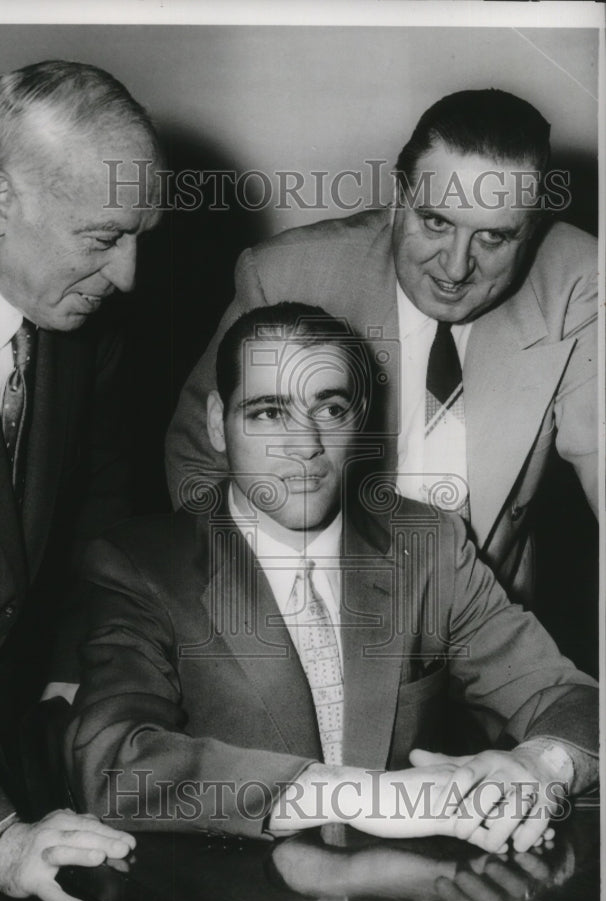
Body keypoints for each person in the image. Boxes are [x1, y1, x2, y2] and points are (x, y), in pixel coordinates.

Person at [64, 303, 597, 854]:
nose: (305, 444)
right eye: (269, 412)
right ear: (216, 425)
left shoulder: (428, 543)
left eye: (331, 408)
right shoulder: (140, 564)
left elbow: (570, 697)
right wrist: (365, 796)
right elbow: (112, 765)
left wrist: (541, 767)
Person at [165, 89, 597, 609]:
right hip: (313, 604)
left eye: (494, 239)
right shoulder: (285, 275)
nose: (456, 268)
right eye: (436, 221)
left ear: (532, 231)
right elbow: (199, 457)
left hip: (489, 614)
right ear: (398, 197)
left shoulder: (576, 279)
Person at [0, 60, 161, 901]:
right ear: (1, 204)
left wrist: (77, 674)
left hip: (0, 738)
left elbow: (100, 515)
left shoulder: (73, 314)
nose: (130, 275)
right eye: (104, 237)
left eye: (140, 235)